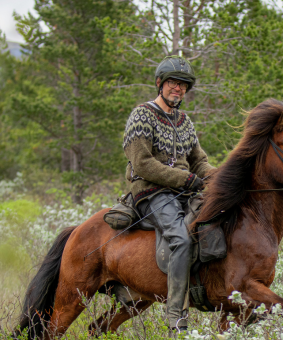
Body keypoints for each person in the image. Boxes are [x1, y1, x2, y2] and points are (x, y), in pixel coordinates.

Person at [122, 56, 215, 332]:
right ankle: (176, 316)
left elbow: (199, 161)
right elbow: (142, 163)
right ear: (160, 83)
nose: (178, 88)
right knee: (182, 240)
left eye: (183, 85)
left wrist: (220, 177)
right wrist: (186, 179)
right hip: (151, 192)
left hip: (183, 191)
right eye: (173, 82)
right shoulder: (142, 115)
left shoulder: (185, 121)